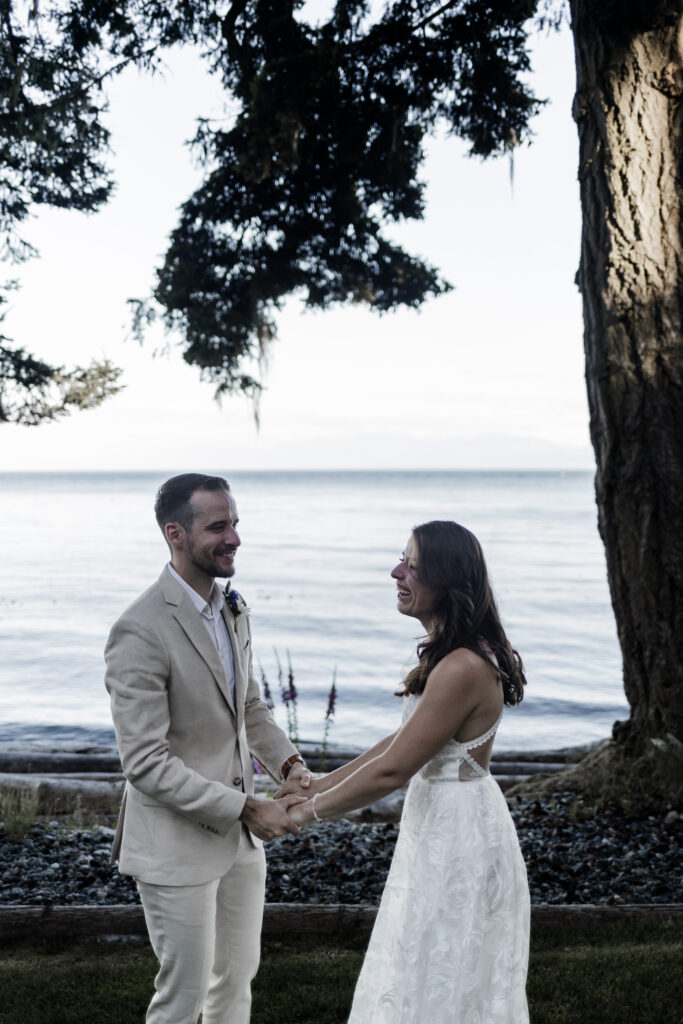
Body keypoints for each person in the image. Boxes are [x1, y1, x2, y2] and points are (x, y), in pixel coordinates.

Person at [287, 520, 530, 1023]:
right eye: (402, 560)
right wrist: (318, 782)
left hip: (458, 836)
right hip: (440, 825)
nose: (396, 571)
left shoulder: (463, 666)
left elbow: (393, 771)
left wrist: (300, 815)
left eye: (413, 566)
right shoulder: (450, 656)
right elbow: (399, 743)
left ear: (448, 580)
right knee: (418, 963)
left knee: (443, 970)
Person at [105, 473, 310, 1024]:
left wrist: (291, 766)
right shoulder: (139, 629)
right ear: (176, 533)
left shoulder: (232, 609)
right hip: (176, 846)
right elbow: (145, 763)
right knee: (183, 996)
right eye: (218, 526)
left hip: (240, 845)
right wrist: (248, 807)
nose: (235, 538)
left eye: (235, 524)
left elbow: (250, 709)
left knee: (237, 981)